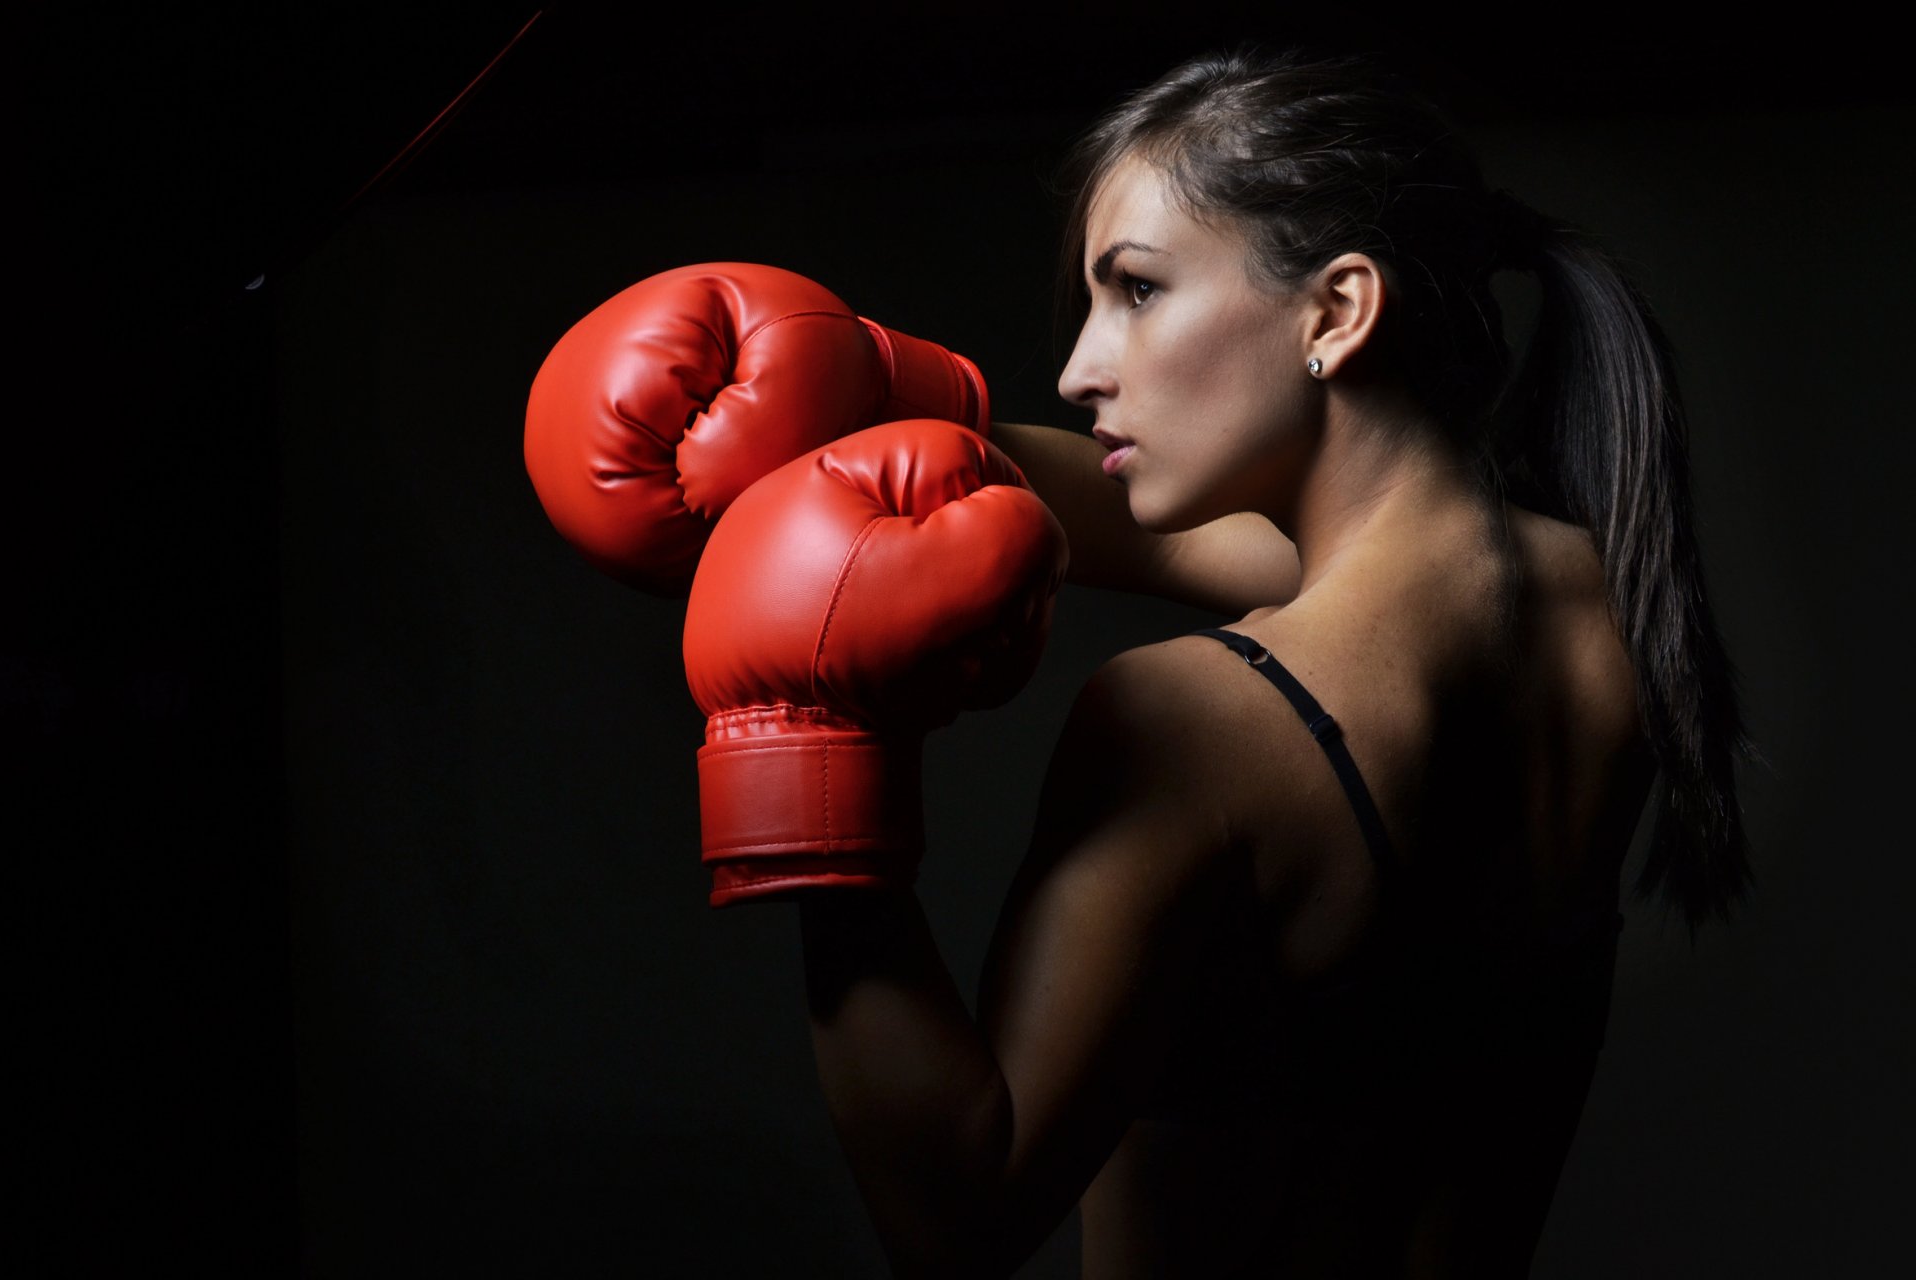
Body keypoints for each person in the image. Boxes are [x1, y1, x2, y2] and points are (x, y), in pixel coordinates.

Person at [525, 44, 1756, 1280]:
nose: (1077, 367)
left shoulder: (1198, 722)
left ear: (1336, 311)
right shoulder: (1604, 607)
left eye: (1139, 290)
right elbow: (1182, 529)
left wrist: (811, 749)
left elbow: (958, 1212)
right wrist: (853, 391)